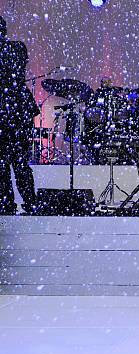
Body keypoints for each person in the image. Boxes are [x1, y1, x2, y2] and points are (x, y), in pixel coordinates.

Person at [0, 16, 39, 214]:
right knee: (20, 162)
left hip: (8, 111)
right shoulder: (17, 48)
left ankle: (7, 203)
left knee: (4, 164)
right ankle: (30, 202)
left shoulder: (13, 49)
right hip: (18, 111)